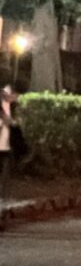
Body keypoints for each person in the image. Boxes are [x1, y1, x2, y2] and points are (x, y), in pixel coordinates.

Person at [0, 86, 25, 232]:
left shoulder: (13, 108)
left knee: (3, 186)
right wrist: (4, 121)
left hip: (7, 149)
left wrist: (14, 123)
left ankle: (2, 216)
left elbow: (16, 127)